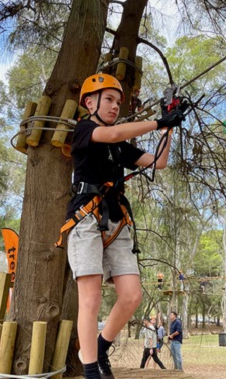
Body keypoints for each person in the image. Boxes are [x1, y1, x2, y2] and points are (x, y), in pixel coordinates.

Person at [64, 73, 185, 379]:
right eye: (109, 100)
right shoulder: (85, 129)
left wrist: (168, 128)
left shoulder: (119, 145)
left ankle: (100, 347)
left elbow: (158, 161)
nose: (115, 106)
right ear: (90, 103)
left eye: (118, 102)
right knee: (89, 299)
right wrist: (159, 122)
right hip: (86, 218)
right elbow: (114, 134)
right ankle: (91, 369)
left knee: (132, 295)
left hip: (116, 220)